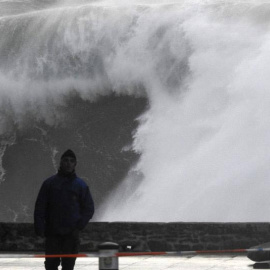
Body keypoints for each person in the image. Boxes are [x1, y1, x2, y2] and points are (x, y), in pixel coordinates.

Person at [34, 149, 95, 270]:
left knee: (68, 266)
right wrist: (40, 228)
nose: (68, 163)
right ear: (61, 162)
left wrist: (79, 226)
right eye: (66, 160)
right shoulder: (49, 183)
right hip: (52, 233)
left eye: (72, 161)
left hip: (71, 234)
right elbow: (40, 207)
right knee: (51, 266)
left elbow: (89, 208)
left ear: (75, 164)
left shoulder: (80, 185)